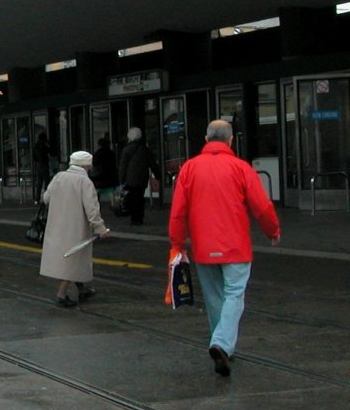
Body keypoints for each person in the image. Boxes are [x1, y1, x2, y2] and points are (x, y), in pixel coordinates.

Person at [168, 120, 280, 377]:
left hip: (203, 246)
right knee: (234, 295)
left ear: (206, 140)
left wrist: (177, 242)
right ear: (231, 141)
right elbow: (262, 206)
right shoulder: (241, 168)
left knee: (214, 297)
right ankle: (222, 343)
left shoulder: (189, 169)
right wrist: (272, 231)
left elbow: (178, 211)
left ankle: (221, 342)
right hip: (236, 246)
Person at [40, 150, 111, 307]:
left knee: (71, 258)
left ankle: (82, 289)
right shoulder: (84, 182)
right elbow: (92, 209)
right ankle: (61, 294)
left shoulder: (58, 177)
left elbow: (46, 198)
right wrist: (101, 229)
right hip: (75, 228)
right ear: (87, 165)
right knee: (73, 258)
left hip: (57, 226)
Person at [118, 127, 160, 226]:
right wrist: (158, 175)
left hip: (130, 178)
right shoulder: (145, 149)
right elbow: (152, 163)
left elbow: (123, 166)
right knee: (140, 198)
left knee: (132, 198)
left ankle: (134, 218)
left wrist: (121, 180)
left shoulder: (126, 150)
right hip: (142, 178)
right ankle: (139, 217)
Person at [32, 132, 51, 203]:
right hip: (44, 165)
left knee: (39, 182)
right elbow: (49, 152)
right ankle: (46, 198)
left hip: (38, 165)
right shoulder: (44, 145)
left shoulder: (36, 146)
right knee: (47, 182)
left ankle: (37, 199)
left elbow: (34, 157)